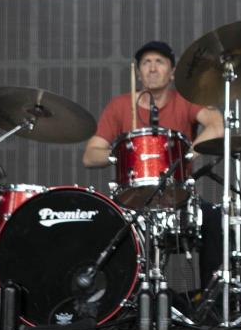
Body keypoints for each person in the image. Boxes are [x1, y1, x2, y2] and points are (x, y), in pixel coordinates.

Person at [83, 40, 225, 289]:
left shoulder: (185, 100)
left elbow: (216, 125)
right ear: (138, 73)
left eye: (159, 62)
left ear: (172, 73)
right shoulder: (120, 105)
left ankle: (209, 302)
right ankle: (121, 302)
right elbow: (90, 155)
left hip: (178, 197)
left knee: (213, 219)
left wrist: (187, 155)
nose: (151, 68)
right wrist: (121, 156)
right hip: (132, 199)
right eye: (146, 63)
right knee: (102, 225)